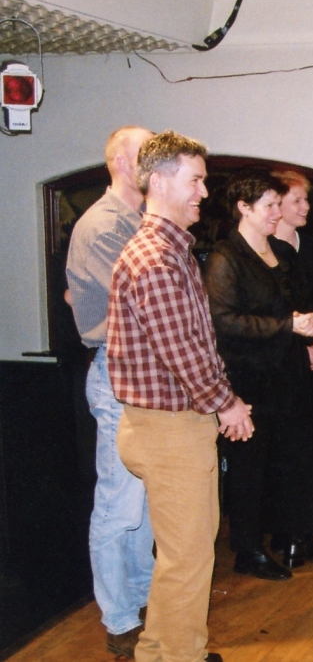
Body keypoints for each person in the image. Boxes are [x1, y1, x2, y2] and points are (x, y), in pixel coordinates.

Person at [109, 130, 253, 662]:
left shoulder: (170, 250)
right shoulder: (156, 258)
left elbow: (195, 341)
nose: (203, 192)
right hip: (167, 430)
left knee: (181, 555)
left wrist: (220, 401)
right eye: (195, 180)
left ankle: (160, 650)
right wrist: (226, 403)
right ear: (161, 181)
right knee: (189, 557)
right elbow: (182, 350)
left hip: (168, 425)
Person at [203, 171, 313, 581]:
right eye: (269, 205)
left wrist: (308, 339)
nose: (277, 212)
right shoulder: (225, 258)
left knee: (291, 459)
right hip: (250, 377)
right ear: (244, 208)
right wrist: (288, 326)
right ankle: (247, 549)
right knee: (249, 467)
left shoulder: (281, 252)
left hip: (288, 370)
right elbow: (223, 321)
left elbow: (297, 304)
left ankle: (292, 536)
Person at [65, 125, 155, 659]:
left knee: (141, 503)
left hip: (143, 375)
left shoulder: (138, 221)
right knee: (119, 504)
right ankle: (120, 619)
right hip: (118, 373)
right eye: (146, 153)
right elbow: (141, 303)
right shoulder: (102, 225)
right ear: (121, 161)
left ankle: (141, 606)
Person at [270, 169, 313, 565]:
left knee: (312, 448)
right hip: (284, 363)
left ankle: (306, 533)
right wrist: (303, 348)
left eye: (306, 199)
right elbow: (276, 313)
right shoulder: (266, 247)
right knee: (286, 452)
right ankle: (286, 535)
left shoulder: (310, 246)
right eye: (297, 200)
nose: (305, 206)